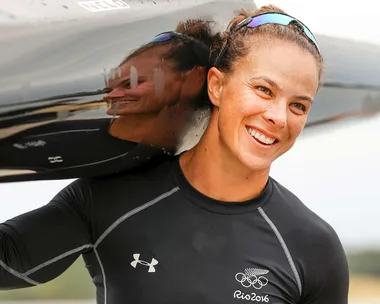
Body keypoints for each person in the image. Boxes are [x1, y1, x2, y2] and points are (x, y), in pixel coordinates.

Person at [0, 5, 349, 304]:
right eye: (263, 89)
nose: (278, 116)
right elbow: (9, 260)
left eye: (298, 105)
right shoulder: (110, 200)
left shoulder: (313, 248)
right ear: (216, 85)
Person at [0, 18, 214, 182]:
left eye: (132, 83)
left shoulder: (140, 170)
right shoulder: (70, 132)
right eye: (111, 85)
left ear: (192, 80)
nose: (111, 96)